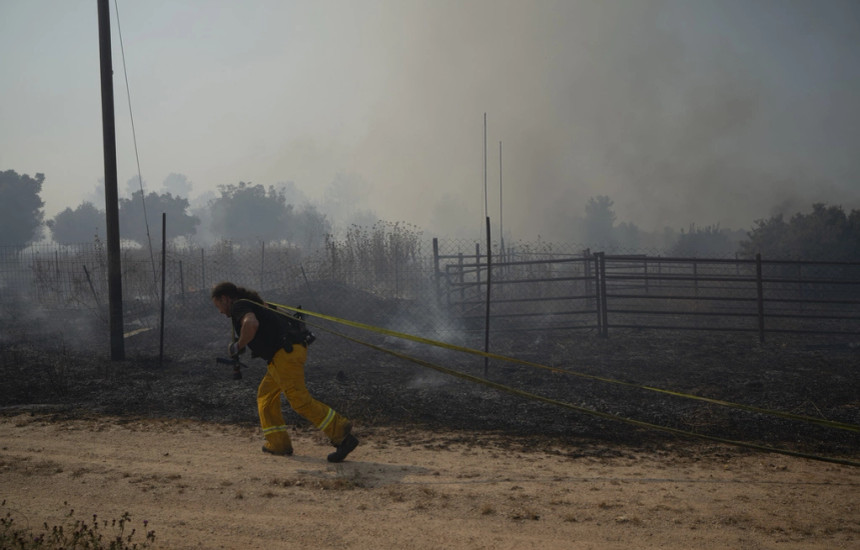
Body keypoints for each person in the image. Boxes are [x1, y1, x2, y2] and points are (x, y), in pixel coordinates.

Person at [210, 281, 359, 463]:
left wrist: (238, 345)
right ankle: (278, 444)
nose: (220, 311)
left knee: (299, 401)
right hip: (285, 354)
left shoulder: (239, 306)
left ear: (225, 299)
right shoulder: (254, 303)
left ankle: (342, 435)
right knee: (266, 396)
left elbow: (251, 323)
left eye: (218, 306)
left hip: (285, 355)